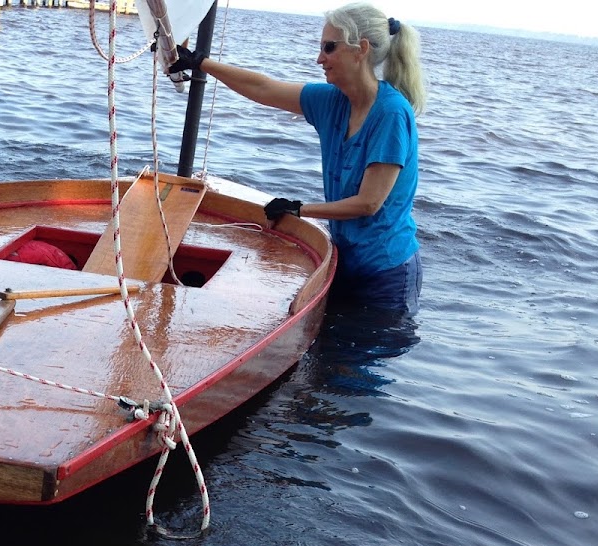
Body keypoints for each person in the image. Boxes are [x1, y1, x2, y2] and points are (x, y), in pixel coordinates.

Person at [170, 3, 427, 314]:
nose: (320, 58)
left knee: (358, 359)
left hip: (385, 273)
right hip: (344, 260)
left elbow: (368, 203)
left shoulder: (390, 113)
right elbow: (263, 88)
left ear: (360, 49)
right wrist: (200, 62)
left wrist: (298, 209)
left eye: (329, 48)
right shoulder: (332, 101)